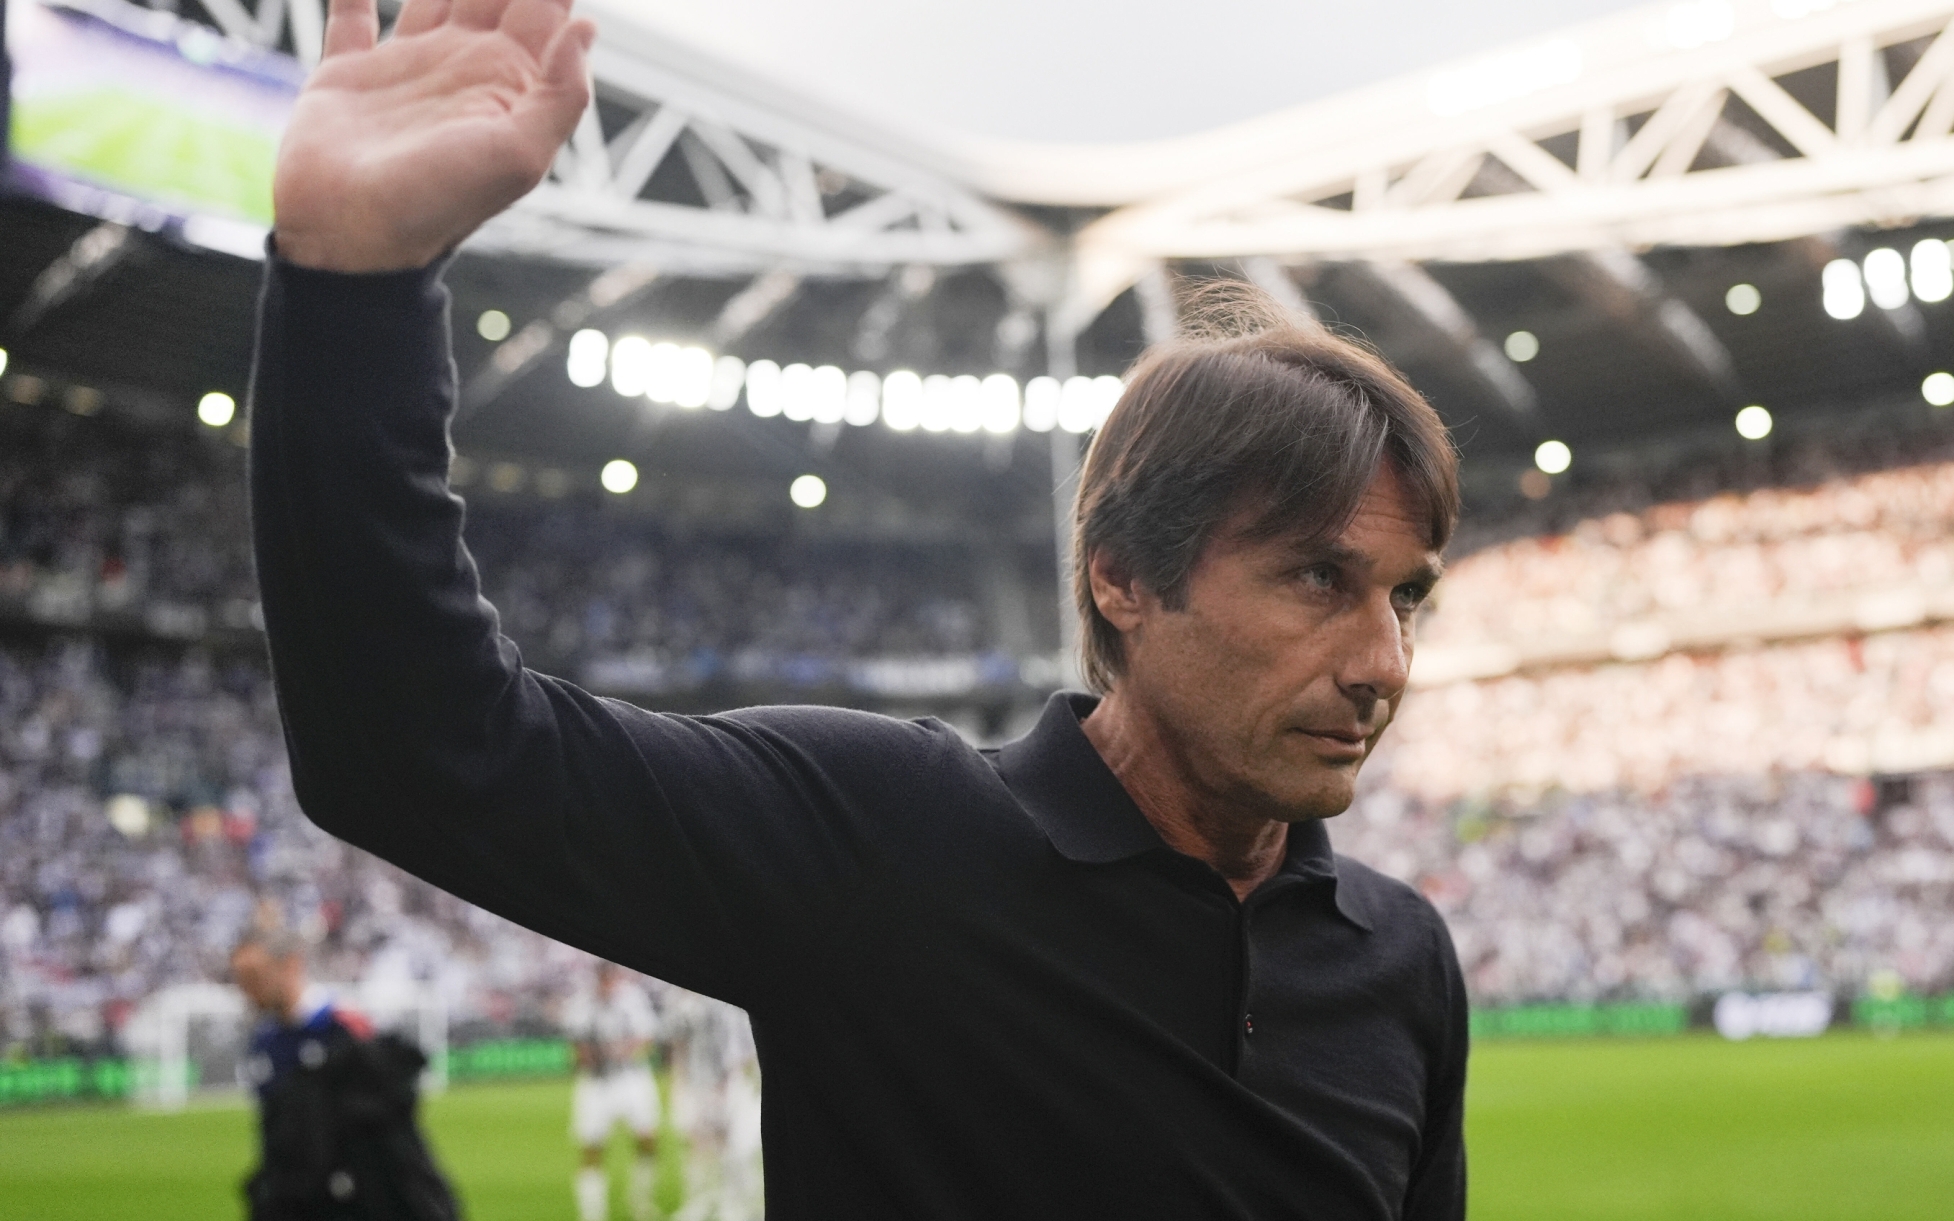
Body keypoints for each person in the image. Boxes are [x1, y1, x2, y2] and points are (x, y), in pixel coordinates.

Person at [254, 0, 1470, 1216]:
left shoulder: (1401, 958)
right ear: (1126, 578)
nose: (1383, 661)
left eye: (1404, 595)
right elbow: (413, 752)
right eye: (1319, 579)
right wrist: (356, 291)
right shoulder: (880, 842)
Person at [230, 928, 460, 1221]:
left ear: (290, 965)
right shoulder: (264, 1042)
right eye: (241, 979)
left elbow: (390, 1123)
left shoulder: (345, 1029)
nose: (247, 988)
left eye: (254, 976)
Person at [564, 963, 663, 1221]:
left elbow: (647, 1038)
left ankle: (640, 1200)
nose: (607, 984)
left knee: (647, 1138)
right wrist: (589, 1056)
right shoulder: (581, 1003)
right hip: (596, 1082)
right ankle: (593, 1212)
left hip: (631, 1078)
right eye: (603, 979)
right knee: (591, 1146)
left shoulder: (633, 999)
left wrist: (624, 1050)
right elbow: (576, 1046)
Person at [663, 986, 762, 1221]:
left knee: (735, 1147)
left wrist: (728, 1083)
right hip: (699, 1084)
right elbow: (679, 1047)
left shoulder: (726, 1006)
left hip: (731, 1084)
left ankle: (740, 1205)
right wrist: (680, 1083)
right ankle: (702, 1203)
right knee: (700, 1145)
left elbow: (742, 1049)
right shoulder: (681, 1002)